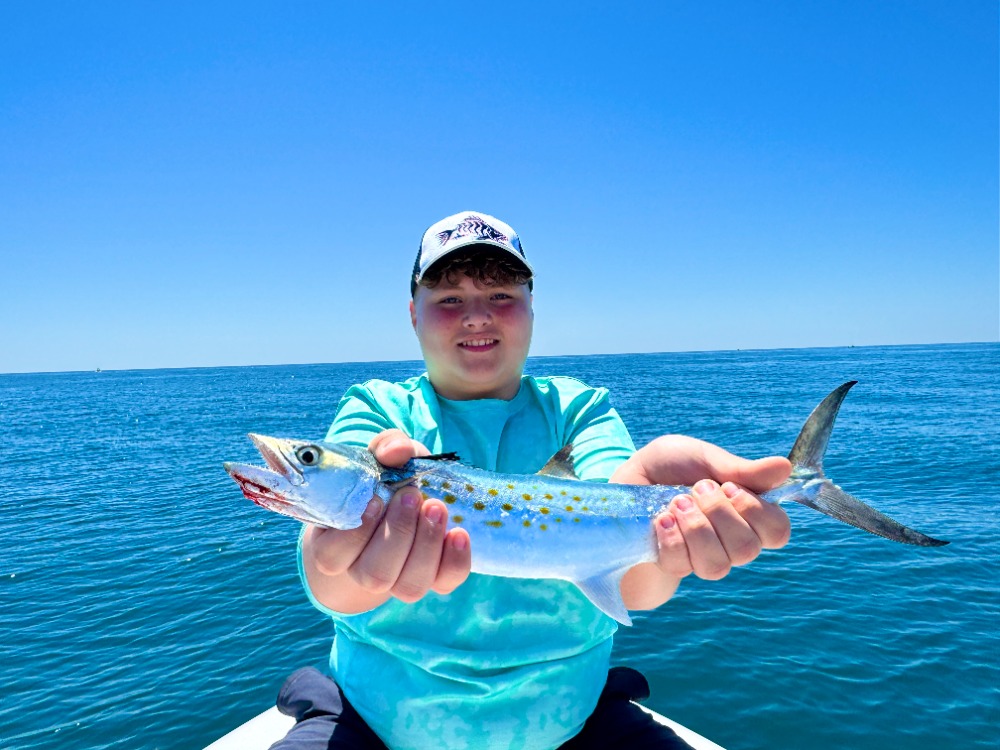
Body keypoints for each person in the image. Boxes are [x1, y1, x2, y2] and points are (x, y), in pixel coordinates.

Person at [271, 211, 792, 750]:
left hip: (580, 724)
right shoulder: (376, 410)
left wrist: (668, 542)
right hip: (372, 726)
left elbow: (637, 584)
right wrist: (338, 562)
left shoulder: (581, 411)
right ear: (413, 315)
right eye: (448, 299)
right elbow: (327, 574)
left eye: (501, 295)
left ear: (531, 309)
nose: (476, 316)